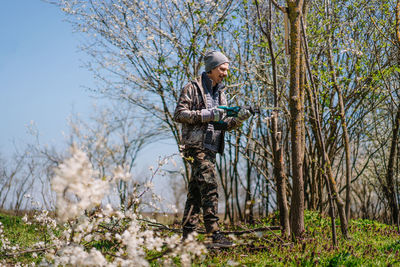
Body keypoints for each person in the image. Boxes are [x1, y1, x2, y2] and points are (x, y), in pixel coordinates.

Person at [173, 51, 251, 247]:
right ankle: (213, 233)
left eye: (226, 70)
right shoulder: (192, 88)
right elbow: (179, 114)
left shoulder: (221, 92)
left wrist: (241, 117)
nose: (225, 73)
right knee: (209, 185)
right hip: (195, 145)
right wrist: (207, 114)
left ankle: (188, 236)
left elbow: (223, 124)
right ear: (211, 68)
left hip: (212, 146)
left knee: (196, 192)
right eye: (222, 69)